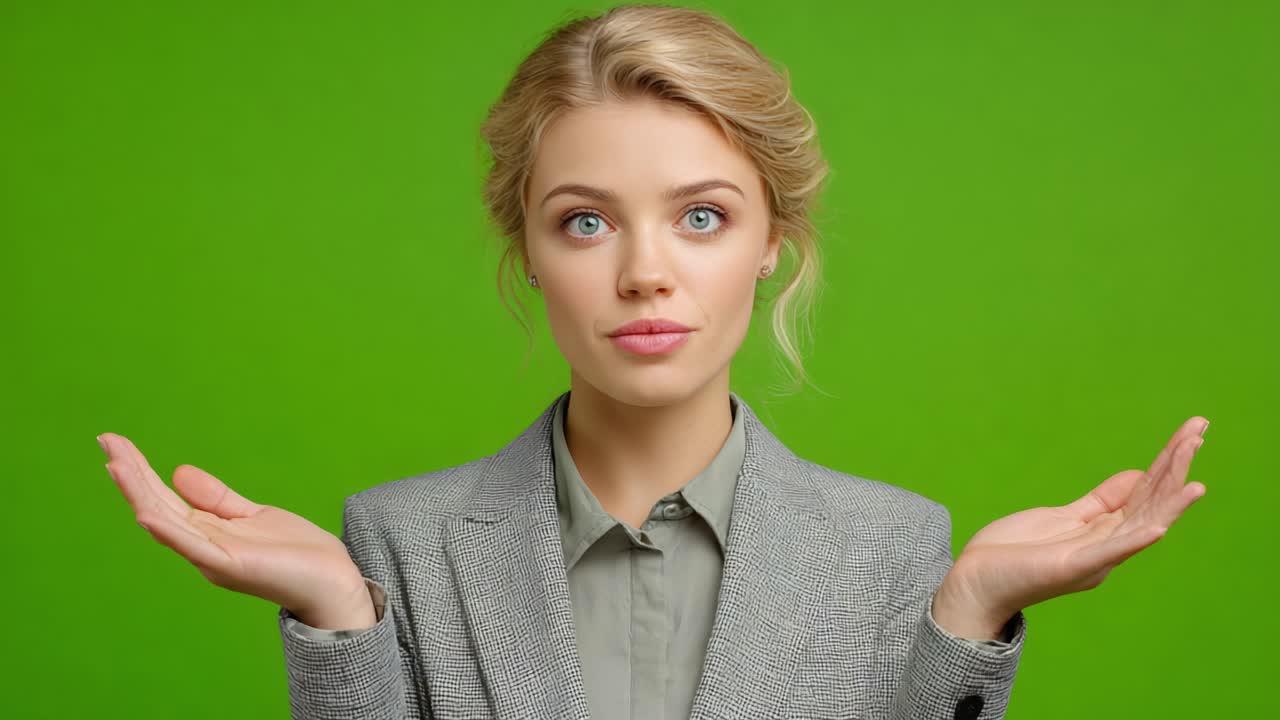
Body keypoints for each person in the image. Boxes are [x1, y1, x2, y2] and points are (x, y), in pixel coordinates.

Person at [100, 4, 1209, 719]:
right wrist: (340, 625)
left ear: (773, 242)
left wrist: (964, 615)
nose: (643, 272)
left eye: (701, 217)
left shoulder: (895, 548)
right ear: (526, 251)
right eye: (584, 222)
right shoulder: (396, 545)